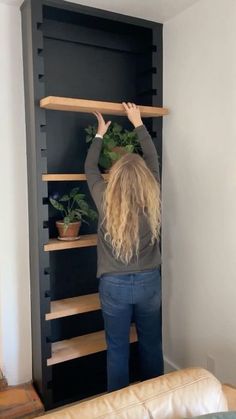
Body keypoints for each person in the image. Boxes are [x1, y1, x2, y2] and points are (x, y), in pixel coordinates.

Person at [84, 102, 163, 392]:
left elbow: (90, 167)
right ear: (144, 177)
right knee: (151, 344)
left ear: (115, 177)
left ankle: (118, 406)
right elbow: (153, 160)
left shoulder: (104, 196)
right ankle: (157, 400)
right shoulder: (151, 192)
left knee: (117, 348)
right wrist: (138, 123)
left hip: (113, 285)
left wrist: (100, 134)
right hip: (149, 282)